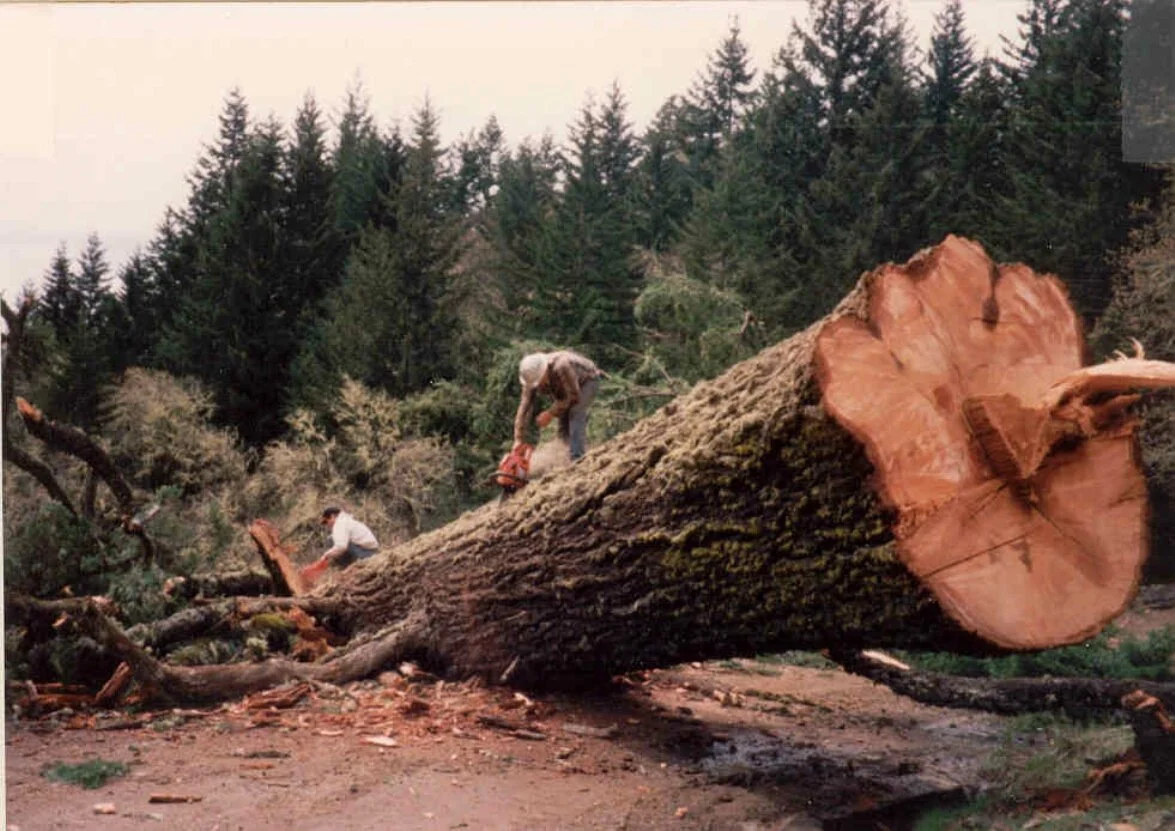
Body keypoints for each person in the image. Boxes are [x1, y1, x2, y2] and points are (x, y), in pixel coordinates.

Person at [514, 349, 603, 461]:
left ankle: (578, 458)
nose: (538, 385)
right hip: (565, 387)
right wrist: (518, 438)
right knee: (563, 421)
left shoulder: (561, 366)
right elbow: (524, 407)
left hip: (587, 381)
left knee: (575, 411)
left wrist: (550, 413)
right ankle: (562, 455)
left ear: (545, 370)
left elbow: (573, 396)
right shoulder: (530, 378)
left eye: (539, 381)